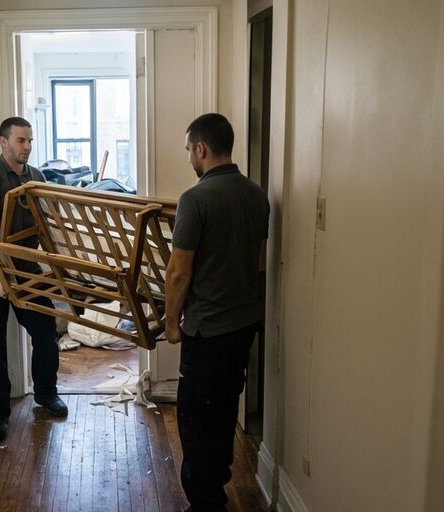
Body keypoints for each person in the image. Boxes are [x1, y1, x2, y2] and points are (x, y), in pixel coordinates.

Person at [165, 113, 270, 511]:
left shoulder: (196, 199)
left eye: (190, 150)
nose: (190, 158)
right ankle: (216, 489)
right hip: (243, 326)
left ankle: (205, 503)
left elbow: (179, 272)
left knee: (196, 420)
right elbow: (256, 262)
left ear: (201, 148)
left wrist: (172, 323)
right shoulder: (256, 194)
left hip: (207, 332)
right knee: (224, 411)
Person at [0, 117, 68, 442]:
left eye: (29, 140)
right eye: (20, 140)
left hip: (27, 269)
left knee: (46, 330)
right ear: (3, 142)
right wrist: (1, 276)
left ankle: (46, 393)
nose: (26, 146)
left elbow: (42, 224)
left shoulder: (35, 176)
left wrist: (56, 264)